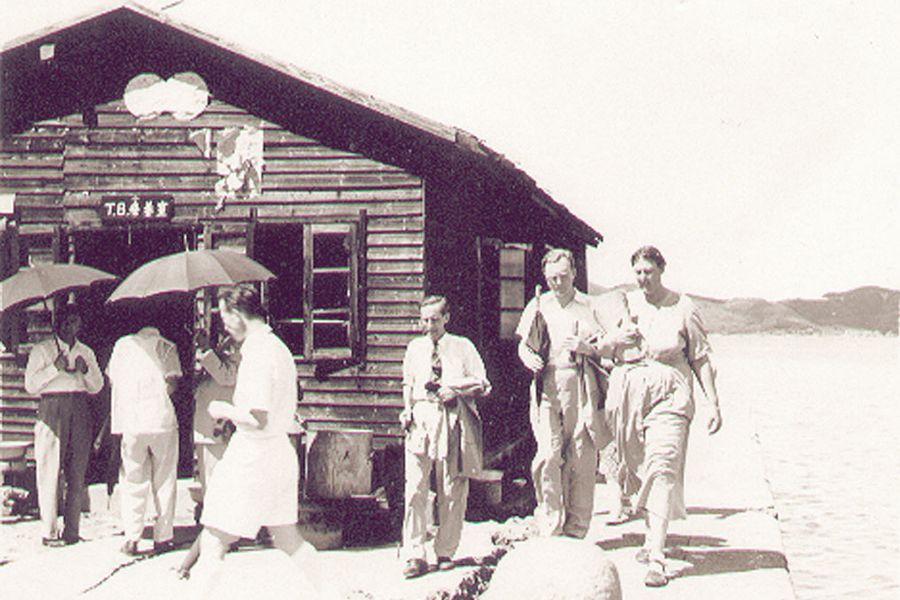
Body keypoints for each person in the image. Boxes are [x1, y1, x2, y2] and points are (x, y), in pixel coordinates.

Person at [186, 284, 328, 596]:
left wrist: (223, 409)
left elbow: (257, 418)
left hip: (253, 455)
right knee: (288, 539)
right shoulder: (277, 347)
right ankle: (328, 592)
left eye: (224, 317)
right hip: (279, 453)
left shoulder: (258, 354)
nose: (223, 324)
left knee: (213, 539)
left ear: (237, 315)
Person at [602, 245, 723, 587]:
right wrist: (615, 337)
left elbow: (700, 357)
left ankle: (657, 557)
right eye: (638, 273)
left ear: (661, 271)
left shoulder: (683, 307)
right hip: (631, 395)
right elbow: (604, 349)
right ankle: (649, 535)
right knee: (639, 465)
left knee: (663, 464)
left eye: (649, 273)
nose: (643, 280)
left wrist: (713, 403)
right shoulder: (626, 303)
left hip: (672, 393)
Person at [514, 248, 629, 539]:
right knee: (548, 456)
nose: (557, 283)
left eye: (563, 277)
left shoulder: (589, 306)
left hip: (581, 383)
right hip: (547, 384)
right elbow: (523, 344)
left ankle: (577, 530)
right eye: (552, 278)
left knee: (581, 455)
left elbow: (611, 347)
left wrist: (587, 347)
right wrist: (527, 357)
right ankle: (551, 526)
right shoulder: (538, 305)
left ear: (574, 274)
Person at [400, 295, 491, 579]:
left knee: (451, 487)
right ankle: (414, 553)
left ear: (447, 318)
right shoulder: (415, 348)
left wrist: (456, 390)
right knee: (415, 487)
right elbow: (408, 382)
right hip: (421, 417)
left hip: (451, 417)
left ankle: (445, 551)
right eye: (424, 320)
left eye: (435, 320)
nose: (429, 326)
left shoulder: (462, 347)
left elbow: (483, 383)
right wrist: (406, 410)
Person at [24, 304, 103, 547]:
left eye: (76, 322)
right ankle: (49, 532)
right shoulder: (42, 350)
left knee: (77, 470)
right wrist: (53, 369)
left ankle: (72, 530)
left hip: (78, 406)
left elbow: (97, 386)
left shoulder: (85, 352)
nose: (72, 327)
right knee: (49, 469)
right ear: (58, 324)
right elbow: (30, 385)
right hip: (52, 407)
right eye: (67, 322)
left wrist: (85, 370)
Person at [106, 325, 183, 555]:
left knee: (133, 478)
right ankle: (164, 537)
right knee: (165, 478)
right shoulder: (167, 347)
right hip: (161, 421)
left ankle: (132, 537)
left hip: (130, 421)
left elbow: (111, 379)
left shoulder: (121, 346)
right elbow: (172, 384)